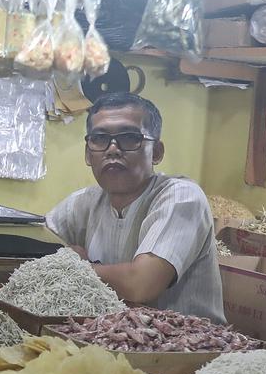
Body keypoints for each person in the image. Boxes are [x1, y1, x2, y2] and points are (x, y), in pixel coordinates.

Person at [46, 93, 224, 322]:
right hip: (112, 339)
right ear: (88, 154)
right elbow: (34, 249)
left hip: (186, 347)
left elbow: (142, 284)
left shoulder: (181, 197)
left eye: (129, 138)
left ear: (157, 152)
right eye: (100, 139)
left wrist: (76, 266)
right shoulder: (84, 202)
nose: (112, 149)